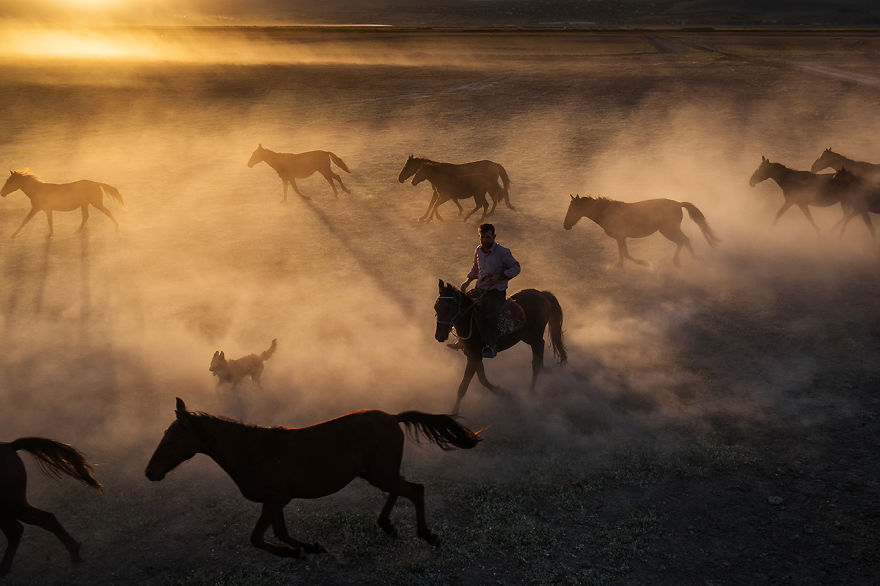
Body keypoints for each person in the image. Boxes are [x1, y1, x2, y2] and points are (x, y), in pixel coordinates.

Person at [460, 223, 521, 358]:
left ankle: (490, 345)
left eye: (487, 237)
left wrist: (501, 276)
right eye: (482, 237)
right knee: (464, 307)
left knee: (490, 314)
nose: (485, 240)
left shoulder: (503, 252)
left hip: (496, 292)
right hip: (480, 288)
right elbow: (476, 269)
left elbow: (516, 267)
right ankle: (463, 340)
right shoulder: (478, 250)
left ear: (494, 236)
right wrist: (467, 281)